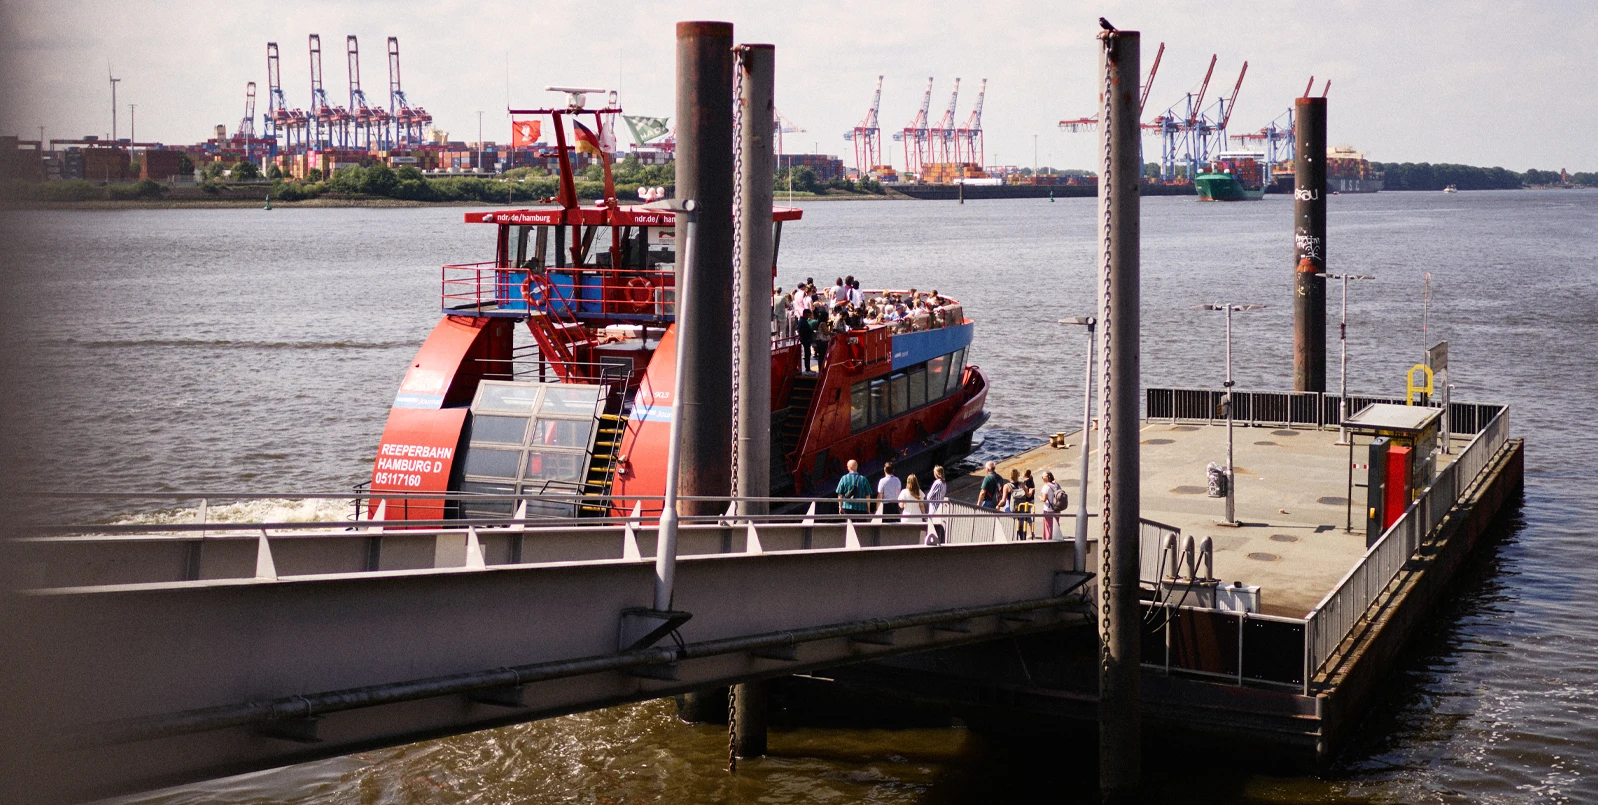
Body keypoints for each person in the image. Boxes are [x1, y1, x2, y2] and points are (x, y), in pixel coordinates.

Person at [1037, 470, 1066, 541]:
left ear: (1047, 477)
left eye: (1043, 476)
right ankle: (1056, 539)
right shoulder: (1056, 485)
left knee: (1048, 527)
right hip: (1057, 508)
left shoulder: (1046, 487)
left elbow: (1044, 499)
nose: (1042, 478)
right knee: (1056, 526)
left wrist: (1040, 498)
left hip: (1048, 510)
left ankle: (1048, 541)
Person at [925, 465, 948, 543]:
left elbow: (929, 497)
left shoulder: (937, 483)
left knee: (932, 527)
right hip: (940, 506)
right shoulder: (944, 483)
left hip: (934, 507)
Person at [797, 308, 817, 372]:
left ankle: (807, 368)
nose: (808, 317)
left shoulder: (801, 321)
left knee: (807, 354)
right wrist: (812, 332)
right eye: (808, 315)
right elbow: (808, 330)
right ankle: (807, 369)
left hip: (804, 339)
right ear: (805, 314)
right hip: (806, 339)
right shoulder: (803, 322)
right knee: (807, 354)